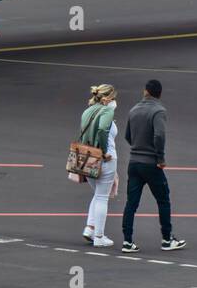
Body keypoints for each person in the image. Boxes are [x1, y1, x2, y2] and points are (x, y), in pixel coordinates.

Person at [121, 79, 187, 253]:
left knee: (131, 203)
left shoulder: (133, 110)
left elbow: (128, 136)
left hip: (134, 162)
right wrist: (160, 157)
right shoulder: (159, 111)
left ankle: (127, 241)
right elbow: (159, 135)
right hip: (150, 163)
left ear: (145, 92)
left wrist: (137, 147)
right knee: (163, 200)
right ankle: (167, 239)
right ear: (160, 94)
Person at [79, 83, 119, 248]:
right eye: (113, 98)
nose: (115, 102)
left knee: (97, 194)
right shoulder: (107, 111)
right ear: (107, 98)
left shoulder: (88, 111)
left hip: (88, 156)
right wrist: (103, 151)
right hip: (104, 157)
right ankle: (99, 236)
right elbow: (102, 130)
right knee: (103, 197)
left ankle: (90, 228)